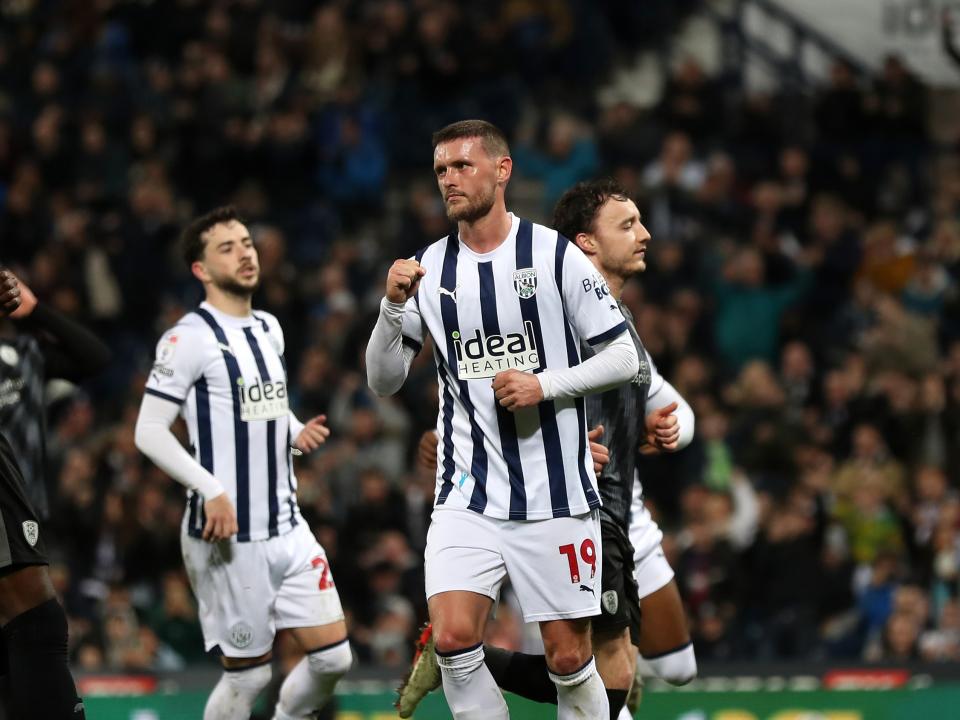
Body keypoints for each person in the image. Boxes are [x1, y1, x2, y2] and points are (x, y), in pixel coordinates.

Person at [366, 120, 641, 720]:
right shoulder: (427, 269)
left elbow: (622, 356)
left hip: (557, 495)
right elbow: (383, 381)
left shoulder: (554, 255)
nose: (450, 180)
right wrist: (390, 309)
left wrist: (544, 384)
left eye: (463, 165)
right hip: (467, 494)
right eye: (441, 170)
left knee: (569, 659)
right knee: (453, 637)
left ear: (502, 169)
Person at [396, 179, 699, 720]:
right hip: (576, 505)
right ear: (586, 243)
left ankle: (469, 659)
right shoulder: (545, 308)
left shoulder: (616, 320)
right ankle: (466, 658)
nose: (645, 235)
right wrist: (548, 437)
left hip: (630, 513)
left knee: (672, 666)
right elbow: (488, 389)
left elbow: (663, 396)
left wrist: (668, 427)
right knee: (605, 674)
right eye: (627, 225)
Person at [134, 208, 352, 720]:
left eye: (247, 242)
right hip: (229, 538)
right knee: (250, 673)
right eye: (227, 248)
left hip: (287, 524)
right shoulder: (187, 338)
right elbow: (147, 431)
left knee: (334, 658)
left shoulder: (268, 328)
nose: (245, 253)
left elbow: (266, 403)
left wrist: (296, 430)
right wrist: (210, 488)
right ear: (201, 270)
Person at [0, 268, 94, 719]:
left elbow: (95, 358)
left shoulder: (27, 355)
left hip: (29, 507)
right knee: (35, 618)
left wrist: (36, 310)